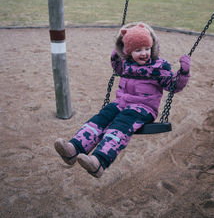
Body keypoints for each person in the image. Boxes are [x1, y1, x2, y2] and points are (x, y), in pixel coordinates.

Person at [54, 22, 191, 178]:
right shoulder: (126, 64)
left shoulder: (159, 67)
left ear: (152, 48)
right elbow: (117, 67)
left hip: (143, 109)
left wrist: (184, 72)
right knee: (101, 118)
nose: (144, 53)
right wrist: (116, 53)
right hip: (121, 103)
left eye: (147, 49)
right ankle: (74, 149)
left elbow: (173, 86)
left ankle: (99, 161)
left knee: (120, 125)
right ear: (128, 51)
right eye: (138, 50)